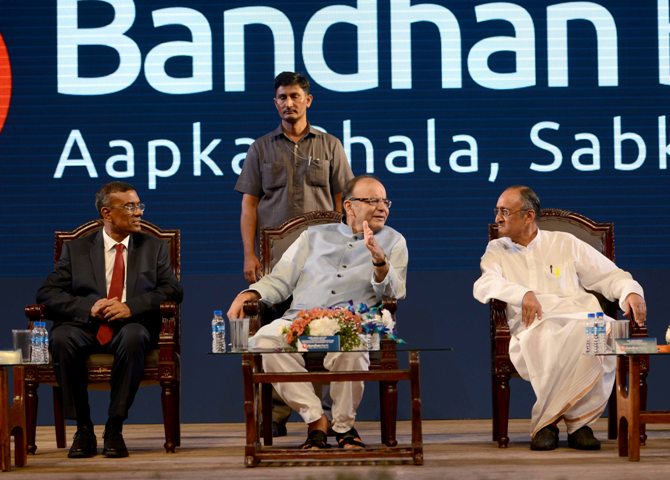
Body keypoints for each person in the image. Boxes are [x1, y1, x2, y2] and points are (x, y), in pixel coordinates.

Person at [227, 175, 408, 449]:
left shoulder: (395, 242)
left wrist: (379, 261)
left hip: (354, 322)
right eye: (372, 200)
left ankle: (344, 427)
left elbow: (394, 294)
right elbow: (280, 279)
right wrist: (250, 294)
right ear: (349, 206)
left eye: (385, 201)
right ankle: (315, 420)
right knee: (263, 341)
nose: (382, 207)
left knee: (353, 348)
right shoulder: (313, 236)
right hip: (302, 318)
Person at [473, 185, 647, 451]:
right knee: (550, 336)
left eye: (505, 212)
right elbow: (485, 284)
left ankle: (573, 423)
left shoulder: (565, 243)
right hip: (533, 325)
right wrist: (523, 293)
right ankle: (559, 424)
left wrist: (631, 293)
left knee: (605, 331)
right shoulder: (497, 249)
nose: (498, 218)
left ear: (528, 216)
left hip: (579, 316)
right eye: (497, 211)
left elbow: (609, 276)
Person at [234, 71, 354, 435]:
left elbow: (342, 202)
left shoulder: (330, 145)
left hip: (323, 258)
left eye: (295, 96)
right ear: (276, 103)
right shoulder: (260, 148)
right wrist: (250, 255)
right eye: (282, 97)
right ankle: (277, 417)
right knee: (274, 333)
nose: (289, 103)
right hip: (274, 261)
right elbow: (249, 205)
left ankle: (332, 417)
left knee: (323, 329)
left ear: (308, 101)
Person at [36, 181, 184, 459]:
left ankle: (114, 427)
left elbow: (173, 290)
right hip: (86, 327)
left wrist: (131, 307)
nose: (138, 212)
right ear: (107, 213)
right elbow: (47, 293)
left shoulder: (153, 247)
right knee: (60, 337)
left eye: (139, 205)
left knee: (134, 336)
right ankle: (83, 429)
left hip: (130, 326)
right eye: (130, 206)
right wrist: (89, 306)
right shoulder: (77, 249)